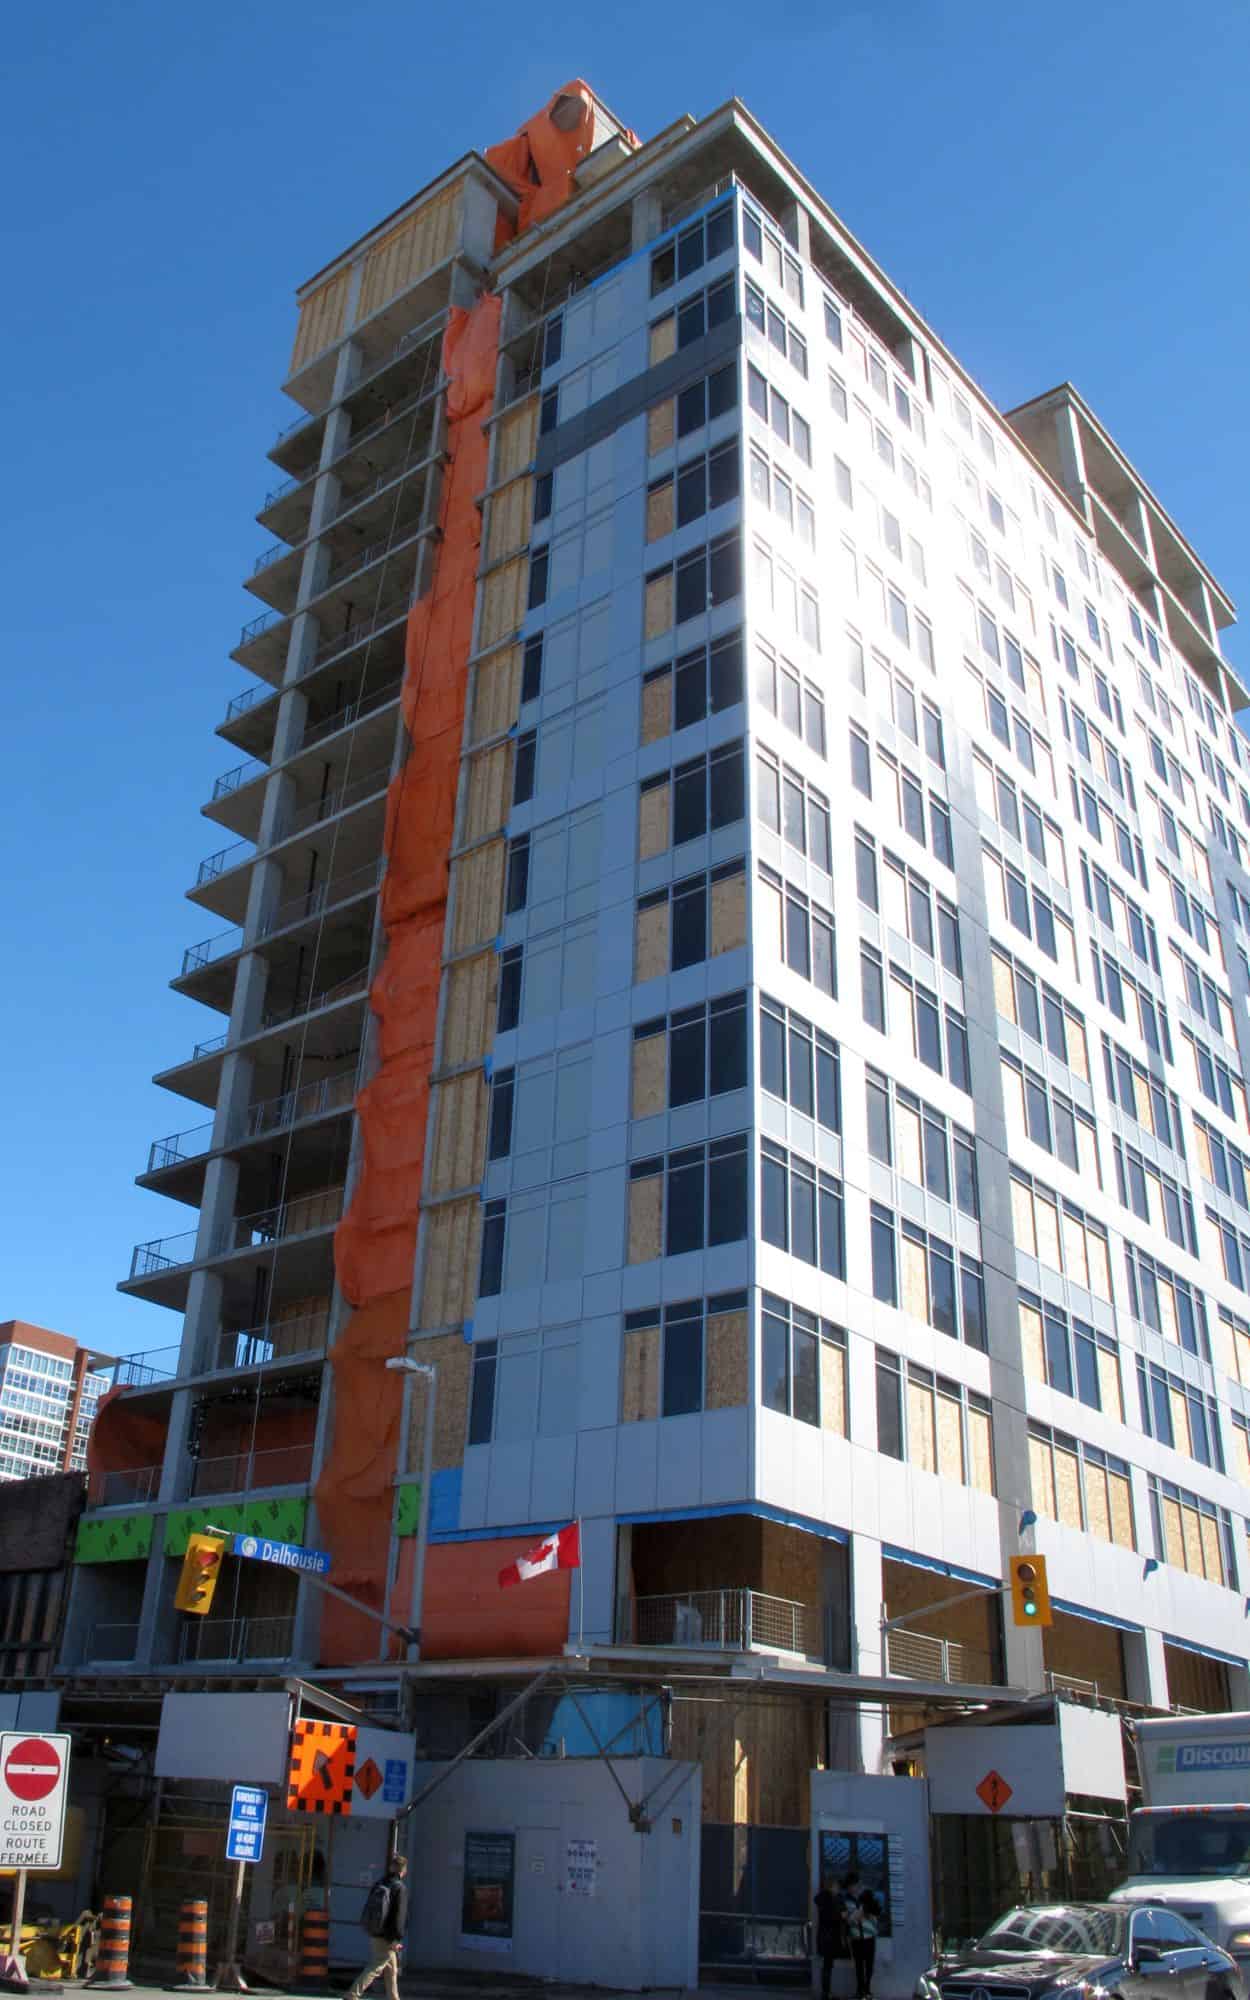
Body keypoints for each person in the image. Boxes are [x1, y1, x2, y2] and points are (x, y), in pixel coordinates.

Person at [348, 1851, 408, 2000]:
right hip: (388, 1937)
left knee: (391, 1970)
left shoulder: (380, 1883)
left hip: (375, 1932)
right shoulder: (399, 1887)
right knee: (375, 1967)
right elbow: (399, 1917)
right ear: (403, 1871)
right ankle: (352, 1995)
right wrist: (397, 1939)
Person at [813, 1871, 842, 2000]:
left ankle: (826, 1992)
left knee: (827, 1965)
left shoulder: (824, 1899)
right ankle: (826, 1993)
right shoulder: (829, 1900)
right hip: (829, 1936)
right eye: (836, 1886)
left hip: (825, 1935)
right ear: (831, 1886)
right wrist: (841, 1916)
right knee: (827, 1965)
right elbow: (830, 1917)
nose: (838, 1889)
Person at [852, 1888, 880, 2000]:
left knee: (862, 1967)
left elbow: (853, 1920)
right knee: (867, 1966)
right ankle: (865, 1990)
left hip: (861, 1939)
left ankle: (862, 1990)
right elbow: (853, 1920)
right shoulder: (863, 1908)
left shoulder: (868, 1908)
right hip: (865, 1939)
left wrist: (864, 1912)